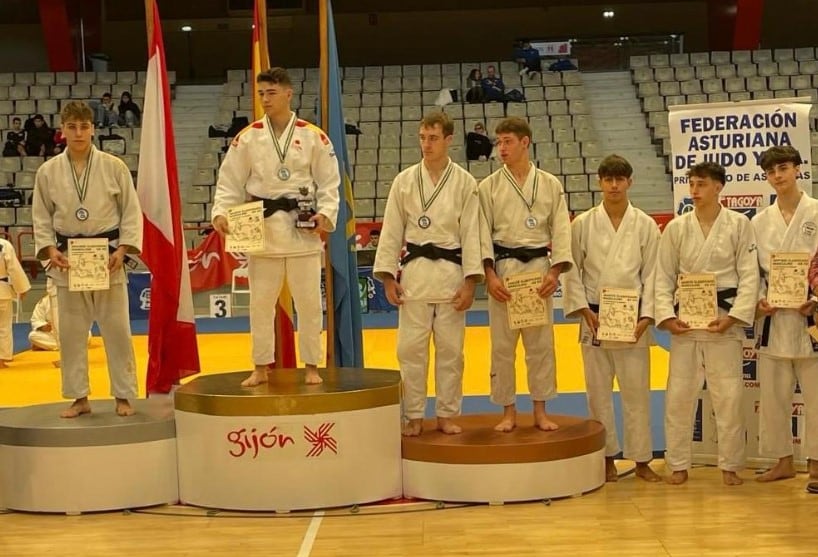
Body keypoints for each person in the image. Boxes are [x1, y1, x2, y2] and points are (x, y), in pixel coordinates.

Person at [212, 67, 339, 387]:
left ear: (288, 93)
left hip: (303, 230)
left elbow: (329, 183)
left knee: (310, 304)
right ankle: (260, 365)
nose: (265, 99)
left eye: (271, 93)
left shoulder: (313, 136)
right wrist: (221, 214)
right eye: (261, 94)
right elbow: (229, 182)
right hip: (262, 230)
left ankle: (311, 365)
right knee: (260, 304)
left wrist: (325, 214)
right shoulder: (248, 137)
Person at [373, 111, 483, 436]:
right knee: (410, 351)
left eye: (433, 138)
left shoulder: (465, 182)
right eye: (422, 137)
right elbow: (392, 231)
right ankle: (414, 414)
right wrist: (389, 277)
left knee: (451, 352)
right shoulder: (404, 181)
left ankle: (448, 414)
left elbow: (472, 233)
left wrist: (470, 281)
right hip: (416, 277)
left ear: (449, 140)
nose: (426, 144)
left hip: (451, 276)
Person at [32, 100, 143, 418]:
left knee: (118, 331)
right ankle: (79, 397)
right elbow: (41, 216)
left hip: (108, 258)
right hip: (69, 261)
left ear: (93, 128)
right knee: (70, 334)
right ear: (62, 130)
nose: (78, 132)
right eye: (72, 126)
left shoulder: (114, 166)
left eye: (84, 126)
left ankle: (123, 394)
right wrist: (49, 249)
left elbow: (131, 212)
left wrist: (124, 249)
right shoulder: (47, 171)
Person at [654, 162, 758, 486]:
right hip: (686, 323)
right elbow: (663, 275)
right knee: (679, 396)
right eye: (692, 185)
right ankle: (679, 464)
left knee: (727, 396)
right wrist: (667, 317)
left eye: (701, 185)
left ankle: (730, 465)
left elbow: (749, 275)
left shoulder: (740, 225)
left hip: (723, 322)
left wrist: (734, 317)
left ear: (718, 187)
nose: (695, 191)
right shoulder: (676, 227)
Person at [562, 155, 662, 482]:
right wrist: (581, 309)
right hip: (595, 317)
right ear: (600, 182)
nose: (614, 185)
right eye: (608, 179)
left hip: (633, 320)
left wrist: (647, 317)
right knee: (598, 394)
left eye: (620, 179)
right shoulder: (583, 224)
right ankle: (606, 457)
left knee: (637, 393)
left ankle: (643, 459)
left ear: (630, 182)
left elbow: (654, 275)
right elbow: (570, 269)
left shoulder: (645, 225)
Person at [477, 116, 573, 432]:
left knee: (540, 345)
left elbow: (561, 231)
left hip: (538, 272)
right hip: (504, 270)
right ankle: (508, 412)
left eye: (507, 141)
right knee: (502, 346)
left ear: (525, 142)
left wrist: (555, 271)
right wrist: (489, 276)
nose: (501, 148)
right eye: (498, 142)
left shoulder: (549, 184)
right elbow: (481, 234)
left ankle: (540, 411)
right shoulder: (488, 187)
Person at [753, 146, 818, 485]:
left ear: (797, 169)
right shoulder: (760, 222)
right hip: (775, 319)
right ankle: (782, 460)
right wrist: (759, 301)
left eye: (783, 168)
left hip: (812, 320)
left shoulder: (817, 212)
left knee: (817, 396)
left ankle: (817, 463)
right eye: (771, 171)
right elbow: (752, 273)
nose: (777, 176)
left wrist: (817, 298)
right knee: (774, 397)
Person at [0, 237, 31, 367]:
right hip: (2, 290)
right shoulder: (3, 244)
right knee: (3, 326)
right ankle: (1, 358)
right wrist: (21, 288)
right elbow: (13, 268)